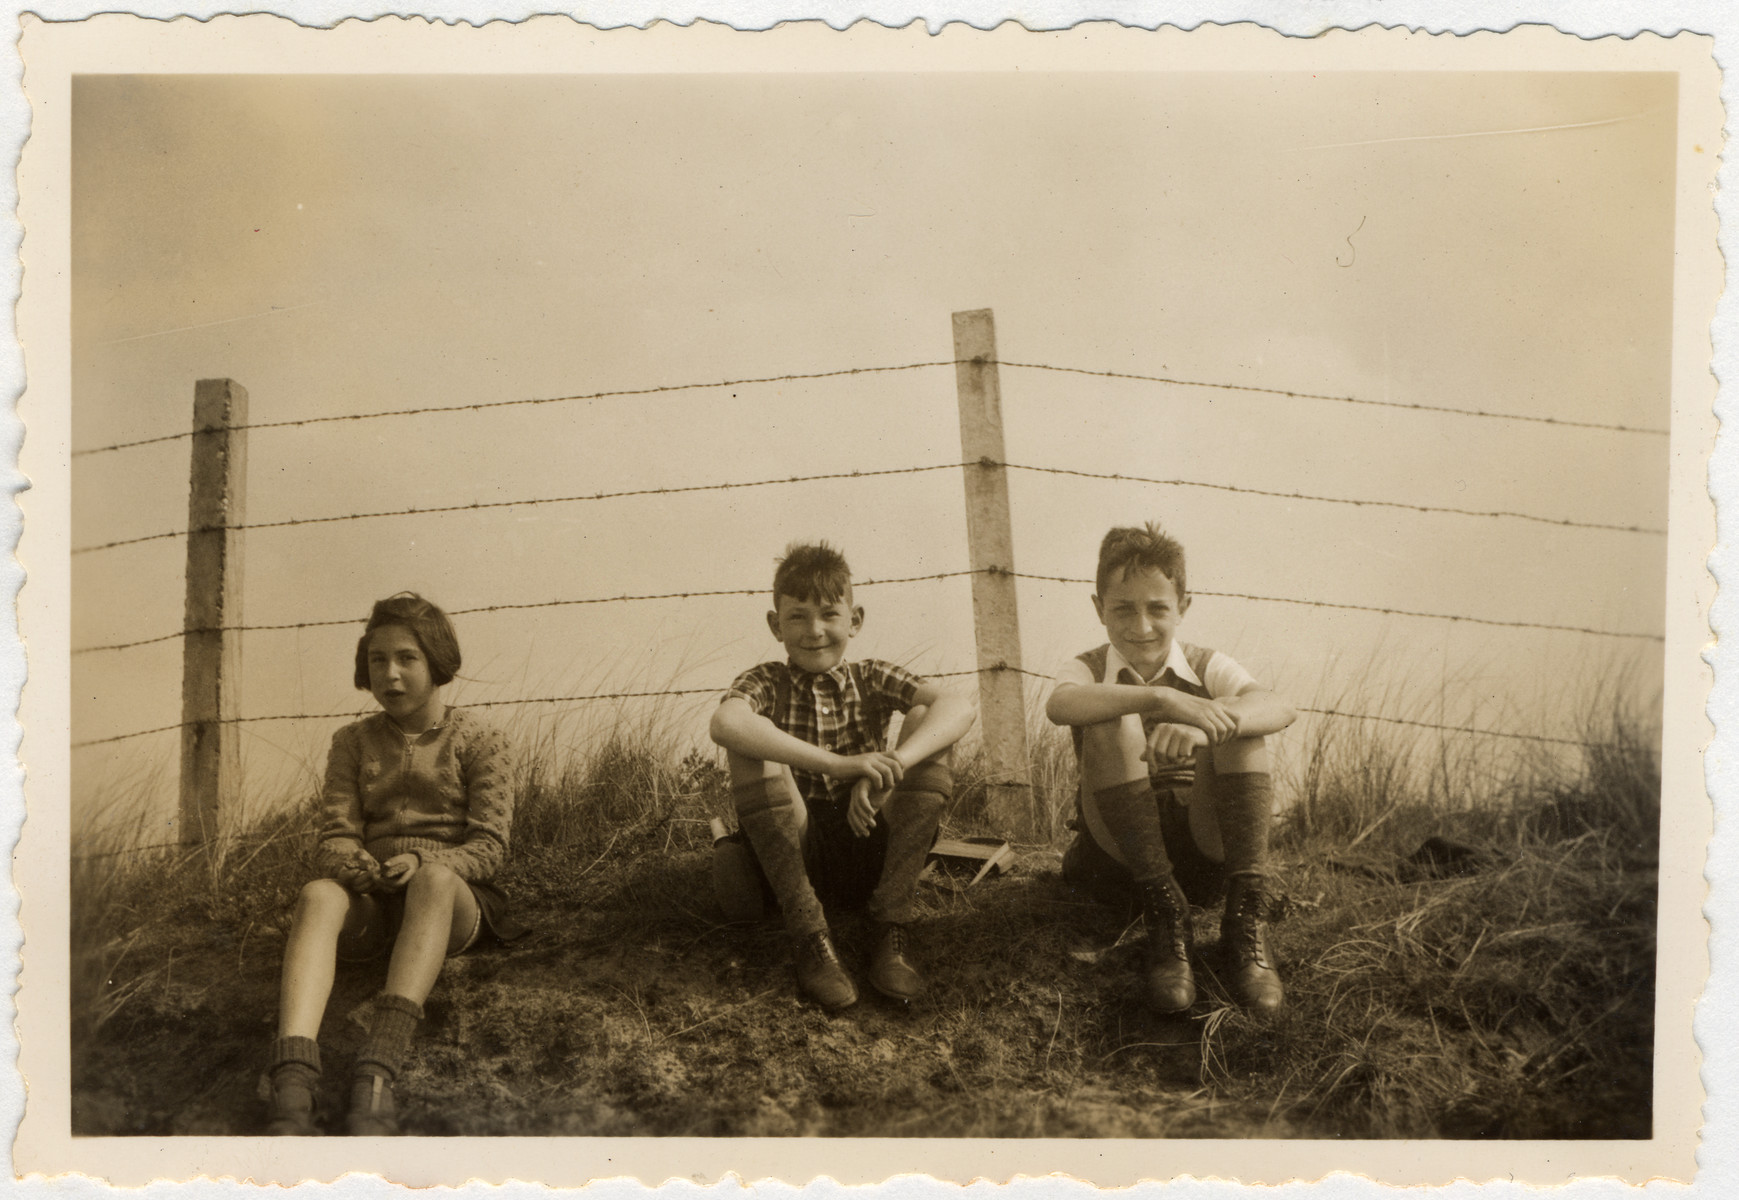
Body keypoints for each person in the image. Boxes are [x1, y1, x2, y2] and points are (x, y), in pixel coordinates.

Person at [263, 593, 525, 1136]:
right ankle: (293, 1076)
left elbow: (491, 846)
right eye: (377, 659)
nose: (391, 674)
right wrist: (352, 864)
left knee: (432, 879)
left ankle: (377, 1068)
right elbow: (334, 837)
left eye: (407, 658)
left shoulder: (481, 740)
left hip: (448, 902)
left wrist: (423, 857)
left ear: (437, 662)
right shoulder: (352, 742)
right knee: (318, 893)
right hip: (377, 904)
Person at [709, 541, 977, 1008]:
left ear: (855, 620)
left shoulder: (871, 676)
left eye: (829, 614)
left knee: (923, 718)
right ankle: (810, 936)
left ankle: (890, 925)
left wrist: (889, 771)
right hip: (797, 848)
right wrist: (838, 765)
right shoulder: (766, 681)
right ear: (776, 625)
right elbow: (725, 723)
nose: (815, 631)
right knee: (749, 736)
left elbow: (960, 706)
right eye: (797, 616)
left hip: (866, 843)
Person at [1046, 523, 1297, 1015]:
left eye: (1158, 608)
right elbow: (1061, 706)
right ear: (1098, 609)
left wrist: (1208, 728)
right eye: (1122, 608)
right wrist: (1163, 697)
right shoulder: (1087, 667)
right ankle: (1167, 918)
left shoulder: (1206, 663)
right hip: (1123, 853)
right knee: (1107, 719)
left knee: (1239, 720)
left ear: (1183, 606)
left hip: (1205, 842)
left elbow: (1280, 707)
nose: (1141, 625)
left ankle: (1245, 921)